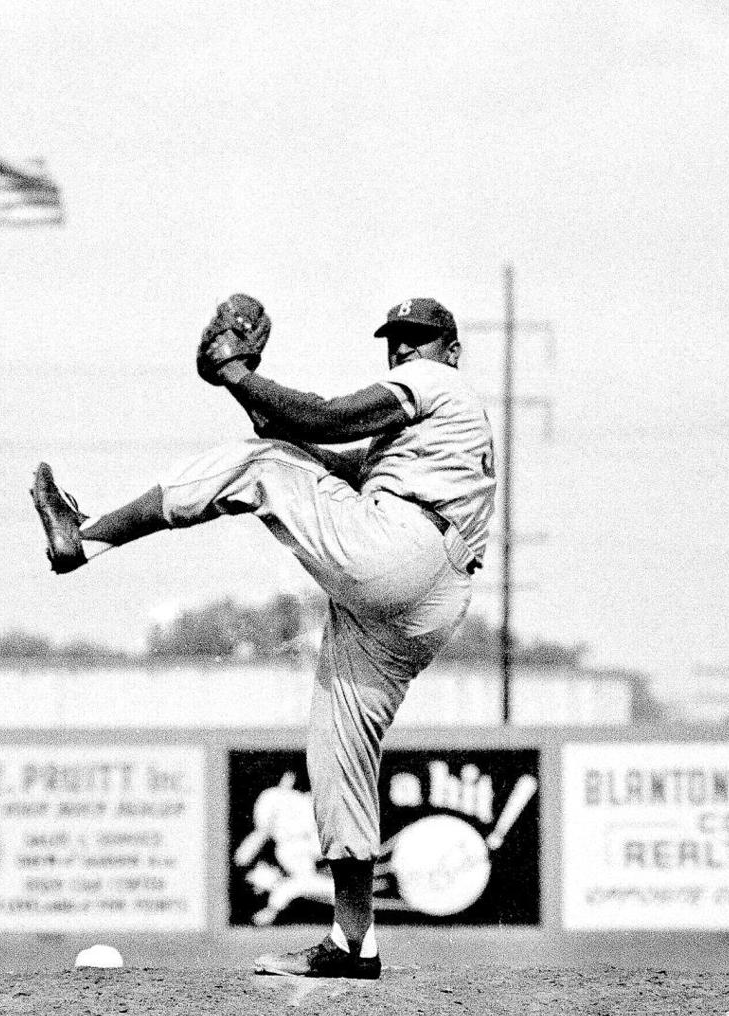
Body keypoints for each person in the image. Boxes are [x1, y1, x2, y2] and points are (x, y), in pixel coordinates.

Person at [30, 296, 495, 979]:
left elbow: (328, 418)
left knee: (258, 466)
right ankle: (352, 939)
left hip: (403, 547)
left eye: (419, 339)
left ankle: (86, 538)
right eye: (395, 340)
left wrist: (241, 374)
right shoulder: (424, 438)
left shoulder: (442, 383)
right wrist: (242, 387)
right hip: (428, 593)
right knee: (340, 748)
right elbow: (316, 452)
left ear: (451, 351)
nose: (404, 350)